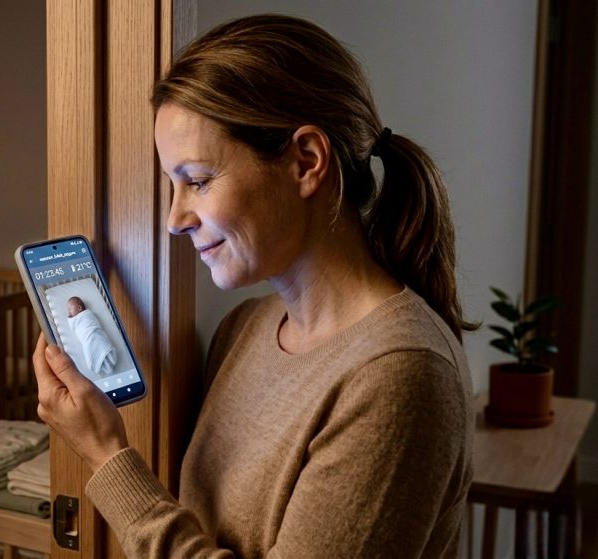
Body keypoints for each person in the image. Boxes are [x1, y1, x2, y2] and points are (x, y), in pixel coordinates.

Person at [32, 13, 474, 559]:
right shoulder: (244, 330)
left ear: (306, 162)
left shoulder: (399, 373)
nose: (175, 219)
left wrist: (106, 457)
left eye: (196, 181)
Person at [66, 296, 117, 378]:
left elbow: (94, 324)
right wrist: (70, 318)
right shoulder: (76, 320)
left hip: (94, 333)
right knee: (89, 346)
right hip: (87, 339)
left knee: (99, 341)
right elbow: (72, 326)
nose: (69, 312)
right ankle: (104, 361)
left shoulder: (88, 315)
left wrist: (70, 318)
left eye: (70, 309)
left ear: (79, 308)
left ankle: (107, 358)